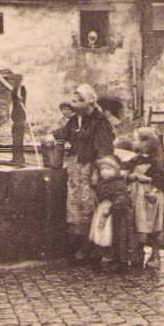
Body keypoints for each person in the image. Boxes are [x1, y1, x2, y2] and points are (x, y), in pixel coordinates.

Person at [49, 84, 115, 264]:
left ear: (88, 102)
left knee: (89, 206)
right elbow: (64, 132)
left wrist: (98, 170)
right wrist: (51, 136)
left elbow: (104, 148)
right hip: (76, 169)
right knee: (75, 207)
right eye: (73, 100)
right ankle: (79, 244)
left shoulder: (100, 122)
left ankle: (92, 246)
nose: (73, 103)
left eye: (77, 101)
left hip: (89, 168)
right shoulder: (76, 119)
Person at [127, 128, 164, 270]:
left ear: (145, 143)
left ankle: (155, 255)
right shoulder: (134, 160)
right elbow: (126, 173)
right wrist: (129, 176)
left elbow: (163, 179)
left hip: (151, 197)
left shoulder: (158, 161)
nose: (133, 142)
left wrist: (151, 183)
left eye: (136, 139)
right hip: (137, 198)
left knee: (153, 226)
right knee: (138, 225)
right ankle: (138, 252)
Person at [88, 155, 133, 273]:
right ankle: (104, 255)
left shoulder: (118, 184)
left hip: (115, 214)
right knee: (102, 233)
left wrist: (113, 207)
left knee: (114, 235)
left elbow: (123, 198)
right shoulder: (103, 183)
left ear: (116, 170)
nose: (104, 172)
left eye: (108, 169)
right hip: (103, 210)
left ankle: (117, 260)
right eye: (102, 169)